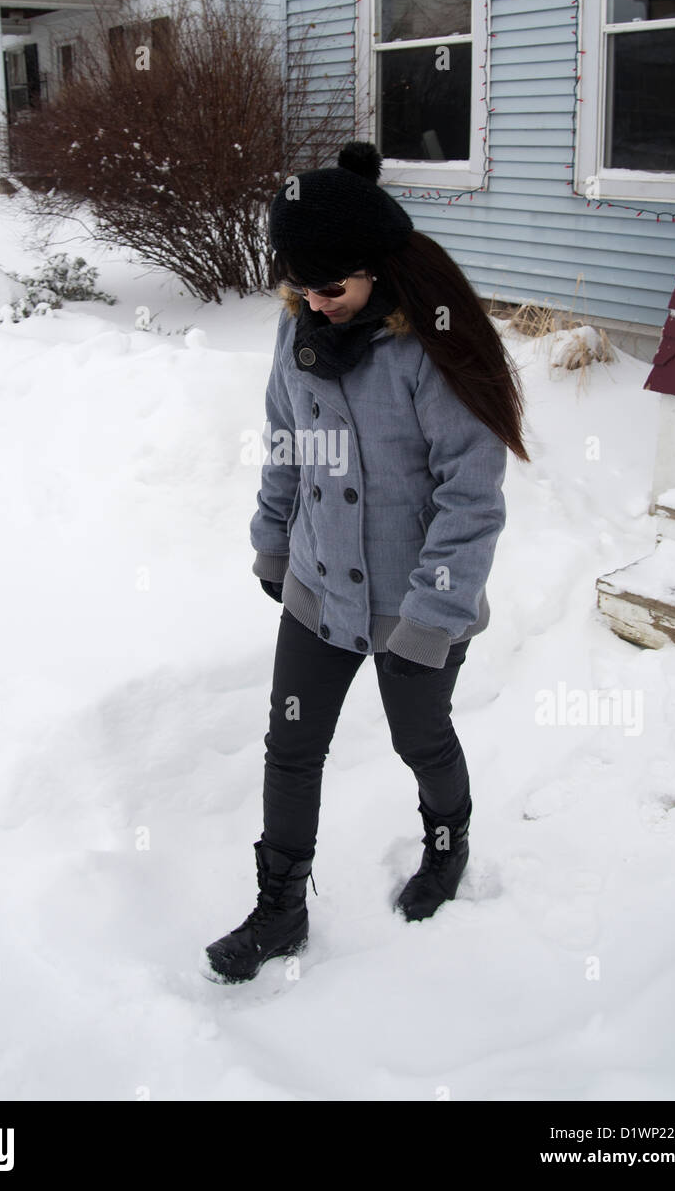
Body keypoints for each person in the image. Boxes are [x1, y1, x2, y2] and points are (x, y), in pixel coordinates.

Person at [203, 141, 530, 984]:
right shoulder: (299, 323)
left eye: (334, 288)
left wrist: (431, 615)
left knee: (418, 737)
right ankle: (281, 909)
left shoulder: (433, 349)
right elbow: (284, 441)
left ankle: (447, 839)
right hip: (318, 584)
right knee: (290, 745)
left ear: (379, 272)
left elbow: (470, 499)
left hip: (415, 601)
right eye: (303, 287)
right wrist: (273, 541)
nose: (317, 303)